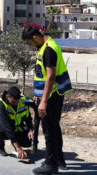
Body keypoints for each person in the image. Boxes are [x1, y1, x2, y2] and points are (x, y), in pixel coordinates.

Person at [22, 26, 73, 175]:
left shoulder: (48, 50)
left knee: (49, 129)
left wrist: (43, 101)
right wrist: (38, 93)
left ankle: (51, 164)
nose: (30, 46)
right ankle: (57, 159)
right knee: (53, 127)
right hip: (50, 93)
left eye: (29, 43)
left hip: (51, 95)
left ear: (35, 37)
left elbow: (50, 77)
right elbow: (42, 75)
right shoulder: (48, 45)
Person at [0, 86, 34, 160]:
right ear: (8, 96)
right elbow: (6, 126)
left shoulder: (22, 100)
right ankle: (1, 148)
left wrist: (30, 129)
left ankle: (17, 147)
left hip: (16, 126)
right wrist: (18, 147)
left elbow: (28, 117)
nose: (16, 104)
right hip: (2, 126)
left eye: (17, 101)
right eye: (13, 101)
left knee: (29, 141)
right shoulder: (1, 104)